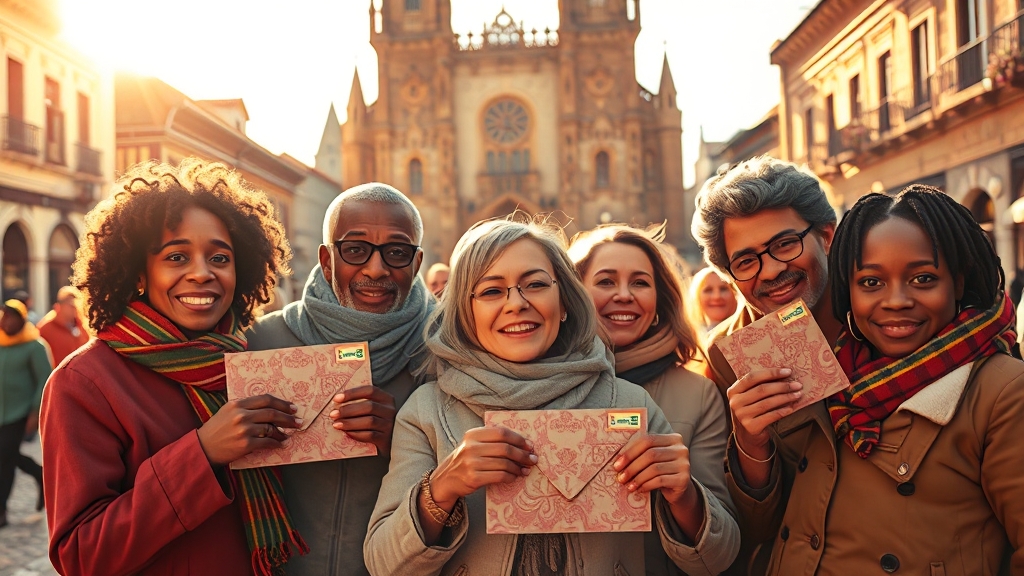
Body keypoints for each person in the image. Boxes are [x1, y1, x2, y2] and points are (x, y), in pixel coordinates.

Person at [364, 217, 740, 576]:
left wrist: (684, 496)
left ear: (564, 304)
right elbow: (384, 565)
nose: (516, 303)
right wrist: (439, 490)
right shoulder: (427, 411)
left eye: (535, 284)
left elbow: (717, 560)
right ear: (466, 312)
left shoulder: (630, 404)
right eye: (492, 290)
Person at [728, 185, 1024, 573]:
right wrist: (751, 443)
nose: (896, 300)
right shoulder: (826, 372)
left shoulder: (1004, 391)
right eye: (871, 282)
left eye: (923, 278)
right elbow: (771, 528)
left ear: (958, 282)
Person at [40, 159, 305, 575]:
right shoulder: (84, 382)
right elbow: (81, 556)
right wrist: (203, 453)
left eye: (220, 258)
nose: (202, 273)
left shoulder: (257, 360)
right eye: (177, 256)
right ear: (140, 273)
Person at [246, 182, 434, 575]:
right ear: (327, 260)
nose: (376, 269)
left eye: (396, 252)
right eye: (355, 249)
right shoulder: (260, 343)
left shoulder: (442, 353)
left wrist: (402, 443)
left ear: (416, 264)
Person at [568, 223, 736, 575]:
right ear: (574, 294)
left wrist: (685, 495)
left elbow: (722, 554)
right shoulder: (537, 382)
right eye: (606, 281)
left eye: (640, 283)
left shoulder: (698, 393)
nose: (624, 295)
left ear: (659, 300)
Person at [0, 299, 50, 528]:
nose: (5, 321)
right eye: (4, 316)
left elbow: (44, 380)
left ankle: (1, 510)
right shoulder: (2, 343)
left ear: (21, 319)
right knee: (6, 456)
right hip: (1, 411)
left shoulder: (34, 346)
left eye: (10, 317)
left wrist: (34, 412)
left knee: (5, 460)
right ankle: (39, 474)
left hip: (19, 413)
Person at [36, 286, 90, 366]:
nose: (75, 307)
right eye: (70, 304)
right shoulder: (45, 328)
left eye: (77, 304)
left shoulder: (84, 326)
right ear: (59, 306)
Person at [687, 267, 739, 343]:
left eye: (723, 289)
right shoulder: (687, 340)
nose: (716, 296)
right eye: (708, 290)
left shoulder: (748, 334)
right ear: (696, 296)